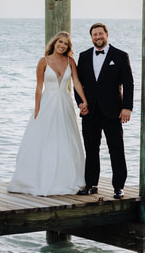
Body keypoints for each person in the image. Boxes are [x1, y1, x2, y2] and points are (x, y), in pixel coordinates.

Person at [8, 32, 89, 196]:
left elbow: (77, 82)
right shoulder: (43, 61)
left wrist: (84, 100)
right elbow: (39, 87)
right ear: (54, 43)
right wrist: (37, 108)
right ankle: (38, 177)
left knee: (67, 139)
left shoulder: (70, 61)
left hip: (65, 103)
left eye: (66, 44)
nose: (63, 45)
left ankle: (67, 178)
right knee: (44, 139)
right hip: (48, 103)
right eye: (60, 42)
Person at [74, 22, 134, 198]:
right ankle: (91, 184)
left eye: (100, 34)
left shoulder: (120, 56)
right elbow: (78, 83)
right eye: (94, 35)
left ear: (106, 35)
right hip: (90, 112)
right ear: (91, 37)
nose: (98, 37)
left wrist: (127, 107)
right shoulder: (84, 56)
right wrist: (80, 103)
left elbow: (128, 83)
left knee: (116, 149)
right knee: (91, 149)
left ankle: (118, 187)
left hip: (113, 111)